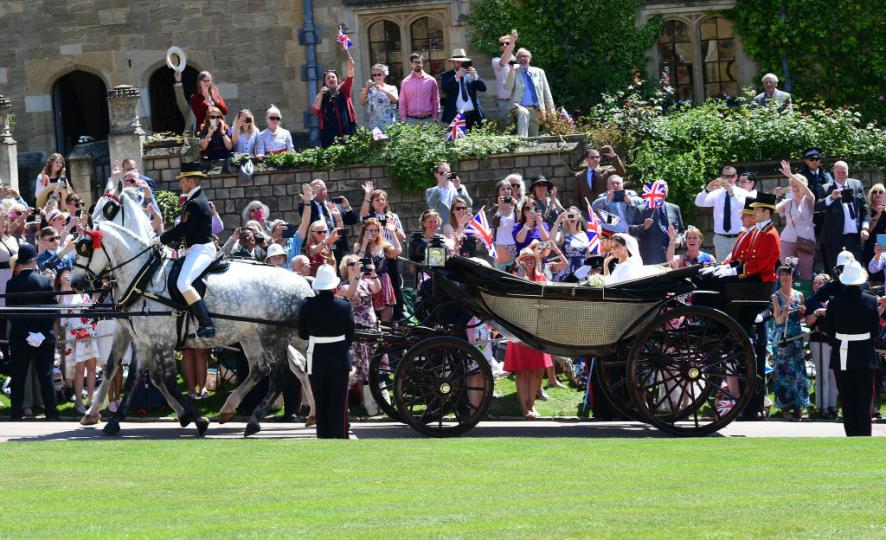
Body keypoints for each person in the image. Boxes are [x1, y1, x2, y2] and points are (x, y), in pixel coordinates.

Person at [153, 164, 216, 338]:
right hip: (193, 249)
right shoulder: (193, 199)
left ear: (191, 180)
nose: (180, 183)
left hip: (201, 249)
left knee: (183, 283)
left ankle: (206, 323)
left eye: (182, 180)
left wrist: (159, 239)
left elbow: (183, 229)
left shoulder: (195, 203)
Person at [819, 260, 879, 436]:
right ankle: (863, 434)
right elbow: (875, 330)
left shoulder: (835, 302)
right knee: (864, 398)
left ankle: (851, 434)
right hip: (865, 355)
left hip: (842, 354)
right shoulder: (871, 301)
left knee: (847, 398)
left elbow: (830, 330)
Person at [298, 264, 355, 439]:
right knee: (338, 403)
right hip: (338, 356)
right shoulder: (344, 306)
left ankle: (323, 435)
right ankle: (339, 435)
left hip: (316, 357)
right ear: (334, 286)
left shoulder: (308, 305)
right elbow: (350, 334)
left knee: (320, 401)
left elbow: (302, 334)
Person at [6, 243, 58, 420]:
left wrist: (27, 334)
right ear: (34, 261)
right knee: (46, 375)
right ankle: (52, 413)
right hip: (43, 337)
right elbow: (53, 310)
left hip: (20, 338)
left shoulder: (11, 283)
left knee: (18, 377)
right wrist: (41, 334)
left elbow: (12, 314)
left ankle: (15, 413)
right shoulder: (45, 281)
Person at [504, 246, 554, 418]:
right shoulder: (515, 277)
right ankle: (524, 408)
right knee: (523, 370)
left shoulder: (541, 277)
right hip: (520, 327)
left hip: (538, 328)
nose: (529, 261)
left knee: (537, 370)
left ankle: (532, 405)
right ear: (520, 261)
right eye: (525, 258)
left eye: (532, 258)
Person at [337, 254, 382, 415]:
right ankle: (346, 406)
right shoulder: (342, 284)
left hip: (369, 326)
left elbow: (377, 289)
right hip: (353, 329)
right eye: (351, 264)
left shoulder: (367, 282)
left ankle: (371, 404)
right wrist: (356, 275)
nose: (355, 265)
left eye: (357, 263)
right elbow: (349, 293)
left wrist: (373, 271)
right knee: (354, 367)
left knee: (369, 365)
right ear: (345, 267)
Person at [56, 268, 100, 414]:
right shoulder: (62, 295)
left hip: (89, 331)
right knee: (79, 369)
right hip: (74, 335)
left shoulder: (82, 293)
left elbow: (91, 308)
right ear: (59, 279)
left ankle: (91, 399)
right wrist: (64, 288)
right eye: (64, 276)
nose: (68, 277)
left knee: (92, 367)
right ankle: (79, 401)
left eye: (70, 274)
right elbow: (62, 319)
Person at [770, 265, 810, 421]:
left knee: (799, 372)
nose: (784, 278)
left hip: (796, 338)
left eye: (787, 275)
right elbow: (778, 320)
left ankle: (799, 406)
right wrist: (784, 312)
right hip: (783, 338)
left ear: (793, 278)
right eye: (782, 275)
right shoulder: (775, 296)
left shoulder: (799, 295)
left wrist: (802, 310)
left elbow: (801, 318)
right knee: (784, 373)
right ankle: (785, 407)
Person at [814, 160, 868, 274]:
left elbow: (864, 208)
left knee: (855, 271)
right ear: (833, 172)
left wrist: (864, 227)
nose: (842, 175)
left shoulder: (856, 184)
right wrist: (831, 197)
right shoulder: (825, 188)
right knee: (836, 273)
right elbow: (817, 206)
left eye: (844, 172)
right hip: (834, 239)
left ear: (848, 172)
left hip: (854, 239)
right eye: (839, 172)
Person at [694, 165, 748, 261]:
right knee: (722, 269)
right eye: (725, 176)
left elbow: (741, 208)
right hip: (721, 238)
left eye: (730, 176)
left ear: (735, 177)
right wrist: (707, 190)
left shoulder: (743, 193)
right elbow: (699, 203)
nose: (727, 179)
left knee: (739, 268)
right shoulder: (717, 193)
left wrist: (731, 193)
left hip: (739, 237)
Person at [298, 179, 358, 262]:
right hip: (318, 248)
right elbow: (305, 213)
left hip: (336, 248)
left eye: (323, 188)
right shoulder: (307, 205)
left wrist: (347, 207)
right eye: (318, 188)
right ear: (312, 191)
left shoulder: (333, 205)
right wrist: (311, 197)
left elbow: (352, 221)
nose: (322, 190)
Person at [805, 273, 839, 419]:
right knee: (822, 375)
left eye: (820, 283)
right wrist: (817, 313)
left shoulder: (834, 300)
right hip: (818, 340)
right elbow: (808, 322)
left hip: (834, 340)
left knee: (833, 376)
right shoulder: (811, 301)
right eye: (815, 283)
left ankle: (832, 406)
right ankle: (822, 407)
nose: (817, 285)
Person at [775, 159, 816, 280]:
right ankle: (788, 297)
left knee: (805, 274)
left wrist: (790, 175)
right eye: (792, 185)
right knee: (788, 274)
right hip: (787, 240)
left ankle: (805, 297)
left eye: (797, 184)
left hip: (805, 242)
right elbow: (771, 210)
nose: (794, 187)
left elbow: (808, 191)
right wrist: (775, 196)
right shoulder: (787, 202)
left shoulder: (809, 200)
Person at [353, 218, 401, 322]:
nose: (373, 233)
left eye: (376, 230)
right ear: (364, 231)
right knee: (369, 313)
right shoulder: (358, 245)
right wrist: (365, 244)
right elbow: (357, 261)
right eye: (370, 230)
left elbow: (398, 251)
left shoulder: (383, 245)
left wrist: (392, 232)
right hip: (367, 282)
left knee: (387, 313)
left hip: (383, 280)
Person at [504, 48, 555, 138]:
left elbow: (547, 93)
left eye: (525, 56)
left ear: (530, 58)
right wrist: (511, 71)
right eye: (520, 57)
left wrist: (551, 111)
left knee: (533, 137)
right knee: (524, 113)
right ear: (517, 60)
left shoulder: (539, 72)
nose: (523, 59)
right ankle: (521, 141)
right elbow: (507, 87)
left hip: (536, 110)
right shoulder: (514, 71)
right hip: (519, 107)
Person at [628, 183, 684, 264]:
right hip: (650, 258)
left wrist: (679, 239)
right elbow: (631, 230)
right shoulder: (641, 209)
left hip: (670, 256)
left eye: (664, 190)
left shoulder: (674, 208)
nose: (662, 193)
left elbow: (681, 231)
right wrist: (643, 226)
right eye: (660, 190)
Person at [312, 58, 357, 148]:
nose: (331, 79)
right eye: (328, 78)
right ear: (325, 82)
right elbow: (315, 111)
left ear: (337, 79)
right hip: (329, 132)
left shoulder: (344, 89)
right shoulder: (321, 95)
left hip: (346, 128)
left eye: (333, 77)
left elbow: (349, 77)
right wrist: (321, 94)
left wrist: (350, 66)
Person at [441, 48, 486, 130]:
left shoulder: (471, 74)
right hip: (456, 115)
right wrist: (456, 77)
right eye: (458, 62)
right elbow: (445, 89)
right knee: (457, 141)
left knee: (475, 140)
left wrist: (476, 77)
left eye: (463, 62)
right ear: (453, 62)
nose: (460, 64)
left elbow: (483, 88)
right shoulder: (446, 75)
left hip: (473, 115)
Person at [424, 162, 473, 229]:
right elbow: (431, 206)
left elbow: (469, 204)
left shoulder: (460, 187)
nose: (446, 176)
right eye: (443, 173)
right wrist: (440, 185)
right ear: (436, 175)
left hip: (459, 227)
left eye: (448, 173)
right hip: (441, 229)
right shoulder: (431, 191)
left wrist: (458, 189)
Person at [399, 53, 440, 125]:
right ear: (411, 64)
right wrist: (403, 119)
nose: (417, 64)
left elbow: (435, 100)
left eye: (419, 62)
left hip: (428, 119)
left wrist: (435, 117)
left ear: (422, 64)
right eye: (415, 62)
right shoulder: (405, 82)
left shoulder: (431, 80)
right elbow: (402, 102)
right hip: (411, 120)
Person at [551, 207, 590, 281]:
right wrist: (557, 221)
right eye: (569, 215)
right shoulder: (562, 233)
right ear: (566, 218)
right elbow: (551, 242)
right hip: (567, 272)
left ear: (578, 217)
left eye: (574, 215)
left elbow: (587, 254)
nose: (572, 217)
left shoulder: (583, 234)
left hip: (583, 271)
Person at [359, 63, 399, 132]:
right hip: (375, 124)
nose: (377, 76)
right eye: (374, 75)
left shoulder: (391, 88)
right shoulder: (370, 90)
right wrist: (367, 88)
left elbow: (395, 100)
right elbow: (362, 102)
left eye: (379, 74)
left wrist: (381, 89)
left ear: (384, 75)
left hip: (389, 122)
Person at [492, 179, 518, 271]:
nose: (506, 191)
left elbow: (521, 223)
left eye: (508, 189)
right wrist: (500, 208)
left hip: (513, 246)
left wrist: (517, 206)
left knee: (515, 275)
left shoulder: (516, 207)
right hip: (499, 248)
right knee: (499, 276)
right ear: (498, 193)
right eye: (503, 189)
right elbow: (494, 224)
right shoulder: (495, 208)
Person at [491, 32, 517, 121]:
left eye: (508, 43)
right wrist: (511, 45)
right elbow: (503, 62)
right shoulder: (495, 61)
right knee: (506, 130)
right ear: (500, 47)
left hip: (519, 101)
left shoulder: (519, 60)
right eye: (502, 44)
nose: (505, 45)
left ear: (513, 45)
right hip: (505, 102)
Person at [862, 183, 886, 274]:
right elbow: (869, 229)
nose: (877, 194)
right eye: (874, 192)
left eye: (881, 192)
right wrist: (878, 214)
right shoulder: (867, 210)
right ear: (871, 195)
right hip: (872, 243)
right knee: (874, 270)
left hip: (883, 240)